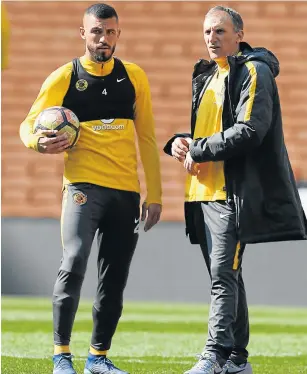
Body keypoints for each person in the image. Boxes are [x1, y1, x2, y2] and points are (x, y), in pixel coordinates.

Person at [20, 3, 162, 374]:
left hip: (126, 194)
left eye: (110, 32)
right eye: (96, 31)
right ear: (83, 33)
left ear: (118, 34)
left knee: (114, 276)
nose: (104, 38)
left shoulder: (134, 77)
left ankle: (98, 358)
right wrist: (38, 142)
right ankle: (61, 355)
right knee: (75, 258)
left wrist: (156, 194)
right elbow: (29, 123)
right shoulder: (64, 77)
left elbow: (147, 138)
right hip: (82, 188)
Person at [164, 5, 307, 374]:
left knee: (223, 277)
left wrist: (197, 147)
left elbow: (250, 130)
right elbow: (209, 131)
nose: (212, 39)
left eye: (220, 32)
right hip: (201, 193)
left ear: (239, 34)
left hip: (232, 194)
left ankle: (214, 355)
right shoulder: (208, 74)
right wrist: (181, 142)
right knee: (225, 276)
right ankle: (238, 360)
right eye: (207, 32)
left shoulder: (254, 71)